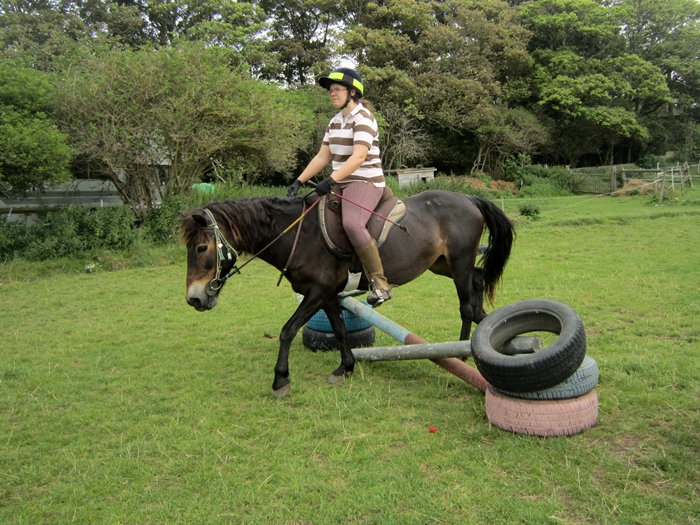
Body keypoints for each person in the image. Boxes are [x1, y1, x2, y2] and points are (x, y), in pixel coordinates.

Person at [286, 68, 393, 306]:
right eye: (330, 91)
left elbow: (358, 157)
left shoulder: (363, 117)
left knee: (352, 224)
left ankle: (380, 284)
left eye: (337, 89)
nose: (332, 94)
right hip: (340, 182)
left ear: (352, 92)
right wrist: (298, 181)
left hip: (365, 181)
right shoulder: (334, 122)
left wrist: (331, 180)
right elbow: (322, 157)